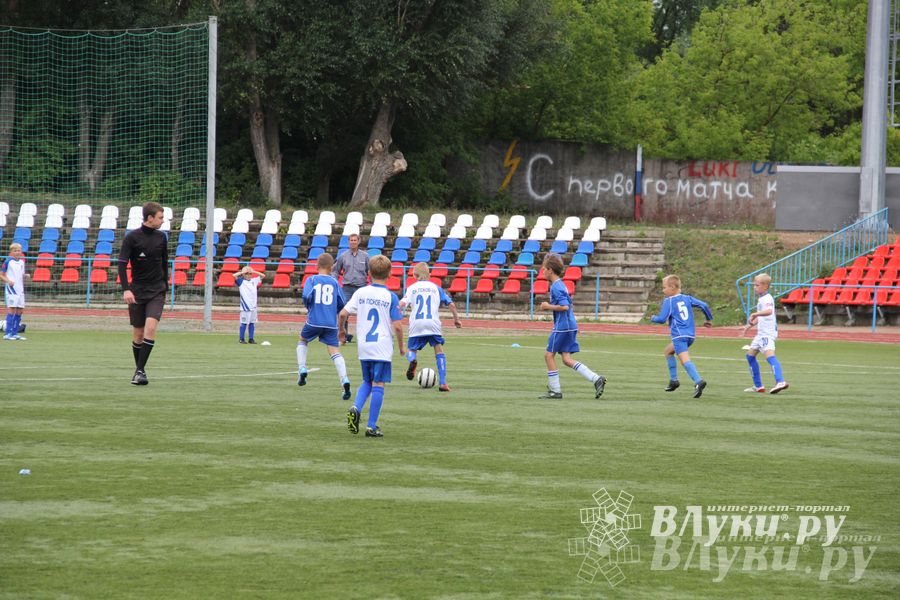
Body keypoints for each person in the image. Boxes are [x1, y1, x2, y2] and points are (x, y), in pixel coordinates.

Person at [338, 254, 404, 438]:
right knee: (379, 384)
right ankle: (371, 426)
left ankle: (356, 407)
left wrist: (341, 332)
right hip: (381, 346)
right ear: (390, 274)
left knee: (367, 381)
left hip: (364, 346)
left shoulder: (360, 293)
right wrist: (401, 347)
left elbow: (343, 314)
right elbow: (398, 326)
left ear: (368, 273)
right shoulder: (391, 297)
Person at [538, 253, 606, 399]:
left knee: (548, 355)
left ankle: (555, 391)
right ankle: (596, 379)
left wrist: (547, 306)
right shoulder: (560, 284)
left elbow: (565, 307)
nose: (542, 272)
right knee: (566, 359)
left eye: (544, 269)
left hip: (563, 326)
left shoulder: (556, 287)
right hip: (570, 325)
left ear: (550, 270)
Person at [118, 201, 168, 385]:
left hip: (157, 290)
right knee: (138, 334)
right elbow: (122, 264)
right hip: (137, 291)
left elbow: (164, 264)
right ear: (150, 218)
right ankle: (140, 370)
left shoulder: (162, 238)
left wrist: (166, 288)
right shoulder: (132, 238)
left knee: (151, 328)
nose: (163, 221)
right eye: (161, 217)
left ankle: (139, 371)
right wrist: (126, 289)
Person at [399, 262, 462, 391]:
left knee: (411, 350)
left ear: (415, 275)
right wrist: (457, 320)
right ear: (429, 274)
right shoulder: (436, 288)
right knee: (439, 350)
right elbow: (452, 305)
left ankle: (413, 360)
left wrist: (395, 312)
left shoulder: (412, 288)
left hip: (417, 324)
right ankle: (443, 383)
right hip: (433, 323)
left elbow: (402, 303)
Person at [298, 252, 352, 400]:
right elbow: (342, 303)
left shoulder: (312, 279)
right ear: (332, 266)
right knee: (334, 350)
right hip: (330, 323)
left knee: (303, 340)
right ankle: (344, 379)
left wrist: (309, 307)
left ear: (317, 265)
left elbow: (306, 296)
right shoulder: (335, 282)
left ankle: (302, 368)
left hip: (314, 320)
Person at [650, 274, 713, 398]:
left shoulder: (669, 300)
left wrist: (653, 318)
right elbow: (704, 305)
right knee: (668, 351)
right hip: (690, 335)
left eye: (664, 288)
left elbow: (662, 319)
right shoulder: (687, 298)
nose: (663, 290)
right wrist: (709, 319)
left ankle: (698, 381)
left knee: (685, 360)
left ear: (672, 287)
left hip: (679, 336)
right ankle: (674, 381)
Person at [741, 273, 789, 394]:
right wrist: (750, 325)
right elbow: (763, 316)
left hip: (767, 334)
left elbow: (768, 311)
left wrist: (755, 314)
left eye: (757, 285)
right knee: (750, 356)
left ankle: (780, 381)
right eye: (754, 285)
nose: (754, 287)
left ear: (765, 286)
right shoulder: (762, 298)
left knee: (770, 356)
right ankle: (758, 386)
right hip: (760, 334)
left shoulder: (767, 298)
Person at [333, 232, 369, 343]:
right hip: (347, 288)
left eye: (355, 240)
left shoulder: (365, 256)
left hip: (361, 288)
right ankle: (343, 335)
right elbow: (335, 271)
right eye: (351, 240)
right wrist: (335, 282)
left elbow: (370, 271)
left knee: (365, 312)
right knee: (343, 312)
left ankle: (365, 336)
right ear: (348, 242)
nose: (353, 242)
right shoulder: (343, 256)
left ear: (358, 242)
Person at [1, 242, 28, 341]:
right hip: (11, 289)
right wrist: (9, 281)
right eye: (15, 250)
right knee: (12, 310)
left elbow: (21, 274)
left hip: (20, 289)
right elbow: (2, 274)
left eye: (19, 250)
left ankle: (15, 332)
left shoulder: (21, 262)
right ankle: (8, 333)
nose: (17, 252)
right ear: (11, 252)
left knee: (20, 310)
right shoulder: (8, 262)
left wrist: (25, 276)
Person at [236, 265, 265, 344]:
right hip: (245, 307)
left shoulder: (254, 280)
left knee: (252, 323)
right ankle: (241, 339)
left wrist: (253, 271)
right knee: (244, 323)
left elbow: (263, 275)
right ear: (243, 275)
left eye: (250, 274)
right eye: (247, 274)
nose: (249, 275)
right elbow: (233, 276)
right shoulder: (241, 282)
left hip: (253, 306)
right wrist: (243, 272)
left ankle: (251, 339)